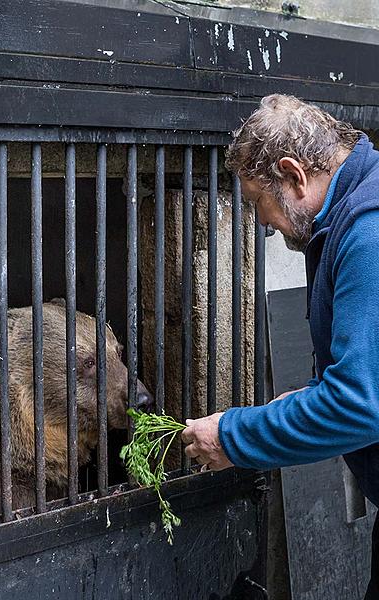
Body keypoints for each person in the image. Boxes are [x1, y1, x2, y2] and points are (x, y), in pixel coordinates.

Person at [181, 94, 379, 598]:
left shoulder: (369, 232)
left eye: (256, 202)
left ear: (292, 176)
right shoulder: (350, 213)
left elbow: (359, 404)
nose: (262, 220)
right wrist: (302, 400)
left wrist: (235, 435)